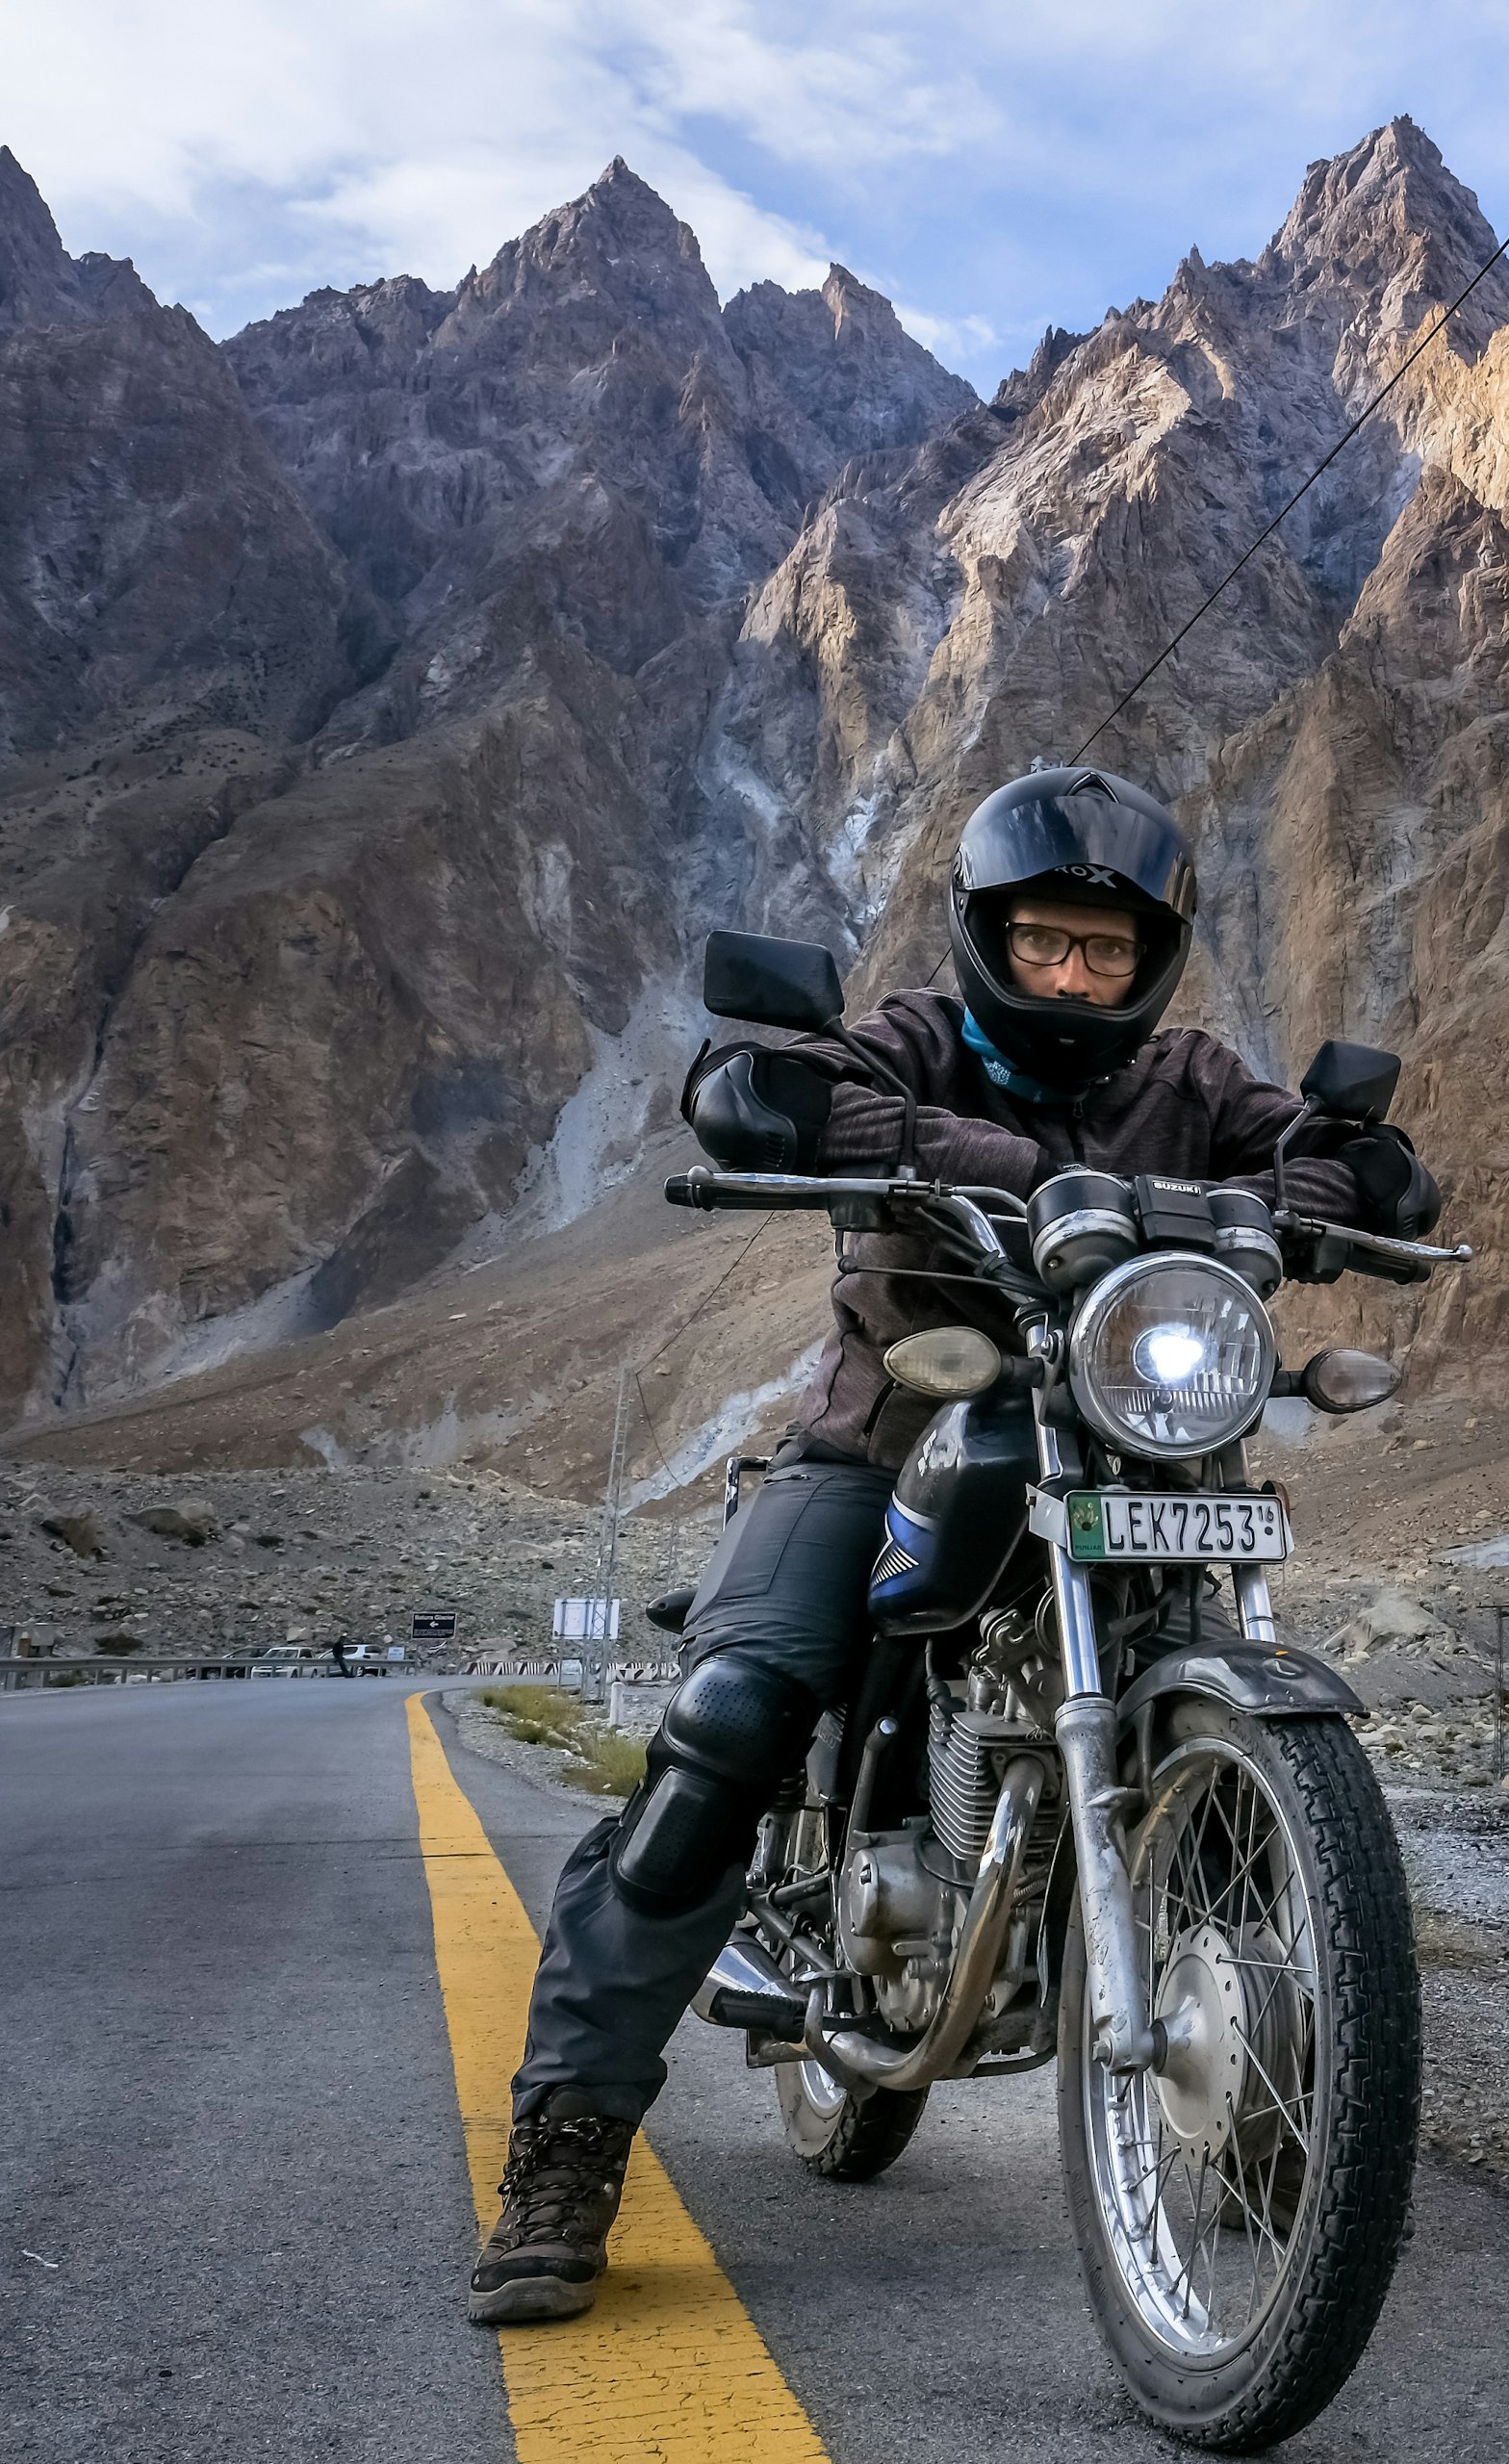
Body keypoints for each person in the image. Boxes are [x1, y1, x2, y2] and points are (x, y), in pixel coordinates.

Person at [468, 767, 1439, 2325]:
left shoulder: (1190, 1075)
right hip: (892, 1437)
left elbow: (1343, 1165)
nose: (1072, 976)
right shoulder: (919, 1040)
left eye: (1102, 953)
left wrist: (1321, 1184)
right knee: (731, 1720)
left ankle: (1271, 2087)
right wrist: (1017, 1176)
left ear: (1150, 962)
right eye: (1045, 943)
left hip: (1138, 1426)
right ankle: (568, 2137)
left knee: (1233, 1676)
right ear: (991, 936)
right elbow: (774, 1092)